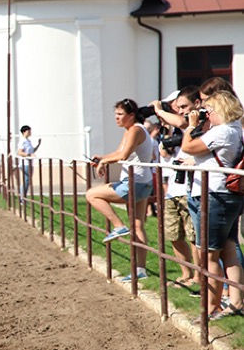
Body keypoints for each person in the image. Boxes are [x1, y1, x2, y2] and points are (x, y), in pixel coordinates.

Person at [180, 90, 244, 319]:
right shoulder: (235, 129)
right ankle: (235, 302)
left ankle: (211, 308)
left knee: (210, 255)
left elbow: (188, 146)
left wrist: (191, 126)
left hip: (215, 194)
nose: (208, 114)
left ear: (220, 110)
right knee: (228, 249)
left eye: (210, 110)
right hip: (223, 194)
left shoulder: (224, 131)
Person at [86, 98, 155, 281]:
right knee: (138, 225)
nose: (116, 118)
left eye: (120, 114)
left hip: (135, 183)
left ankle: (118, 226)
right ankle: (141, 270)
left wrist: (103, 162)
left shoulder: (135, 130)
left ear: (131, 115)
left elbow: (123, 155)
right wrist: (102, 158)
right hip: (143, 182)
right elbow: (118, 154)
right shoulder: (131, 130)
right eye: (115, 114)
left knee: (92, 194)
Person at [152, 87, 201, 287]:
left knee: (192, 235)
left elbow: (182, 121)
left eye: (181, 105)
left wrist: (158, 111)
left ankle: (198, 276)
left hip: (190, 187)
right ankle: (185, 273)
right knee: (173, 233)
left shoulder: (191, 123)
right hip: (173, 186)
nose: (178, 110)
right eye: (175, 106)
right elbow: (165, 153)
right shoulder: (173, 127)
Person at [16, 125, 40, 199]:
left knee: (27, 181)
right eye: (28, 131)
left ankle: (23, 196)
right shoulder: (22, 141)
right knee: (26, 180)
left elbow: (32, 151)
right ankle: (22, 198)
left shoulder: (28, 141)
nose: (30, 132)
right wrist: (29, 155)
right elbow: (20, 152)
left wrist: (38, 144)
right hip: (25, 163)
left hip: (29, 163)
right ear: (24, 132)